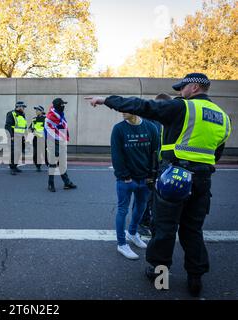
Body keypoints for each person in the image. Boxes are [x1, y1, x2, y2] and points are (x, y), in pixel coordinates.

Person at [86, 73, 232, 297]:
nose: (179, 92)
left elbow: (142, 106)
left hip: (175, 176)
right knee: (192, 230)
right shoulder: (223, 117)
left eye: (182, 88)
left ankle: (159, 274)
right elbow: (216, 154)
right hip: (203, 180)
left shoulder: (183, 107)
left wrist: (106, 100)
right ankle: (195, 278)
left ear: (193, 87)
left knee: (164, 228)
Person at [111, 112, 158, 260]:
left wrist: (152, 175)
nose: (122, 112)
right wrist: (125, 176)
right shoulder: (118, 129)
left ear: (136, 110)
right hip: (126, 180)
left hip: (145, 178)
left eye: (126, 109)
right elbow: (116, 155)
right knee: (122, 210)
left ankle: (132, 233)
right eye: (121, 109)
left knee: (141, 206)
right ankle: (121, 243)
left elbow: (155, 153)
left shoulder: (150, 127)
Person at [137, 93, 172, 237]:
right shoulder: (147, 121)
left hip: (161, 165)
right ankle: (141, 224)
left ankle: (150, 221)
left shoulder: (164, 120)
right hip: (148, 166)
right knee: (146, 196)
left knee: (155, 197)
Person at [45, 98, 77, 192]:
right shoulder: (51, 117)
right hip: (53, 140)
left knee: (62, 163)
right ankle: (50, 183)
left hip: (60, 140)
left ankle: (66, 183)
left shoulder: (59, 114)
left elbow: (63, 127)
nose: (64, 106)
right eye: (62, 105)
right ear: (58, 106)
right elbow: (49, 130)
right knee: (53, 163)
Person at [5, 101, 27, 175]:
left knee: (18, 152)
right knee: (14, 153)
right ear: (19, 106)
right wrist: (11, 136)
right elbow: (8, 126)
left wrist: (24, 136)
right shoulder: (11, 113)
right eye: (23, 107)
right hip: (14, 136)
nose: (24, 108)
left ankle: (15, 166)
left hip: (20, 136)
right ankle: (12, 168)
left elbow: (23, 126)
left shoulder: (22, 114)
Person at [29, 105, 48, 172]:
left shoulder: (46, 119)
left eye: (38, 110)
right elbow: (30, 128)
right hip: (36, 138)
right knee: (36, 153)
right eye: (36, 110)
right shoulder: (34, 119)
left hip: (44, 139)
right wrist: (31, 129)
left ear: (42, 111)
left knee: (46, 153)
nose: (36, 111)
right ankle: (38, 166)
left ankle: (49, 165)